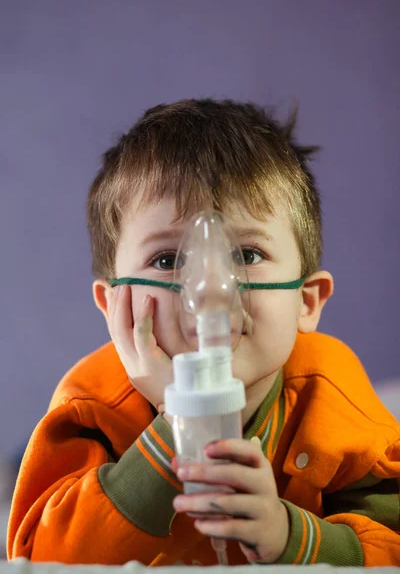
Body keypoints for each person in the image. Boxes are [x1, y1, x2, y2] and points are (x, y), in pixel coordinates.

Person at [8, 99, 400, 566]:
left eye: (247, 255)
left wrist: (288, 533)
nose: (212, 291)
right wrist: (179, 424)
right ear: (114, 306)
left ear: (307, 301)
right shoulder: (90, 408)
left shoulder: (334, 401)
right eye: (169, 260)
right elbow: (41, 557)